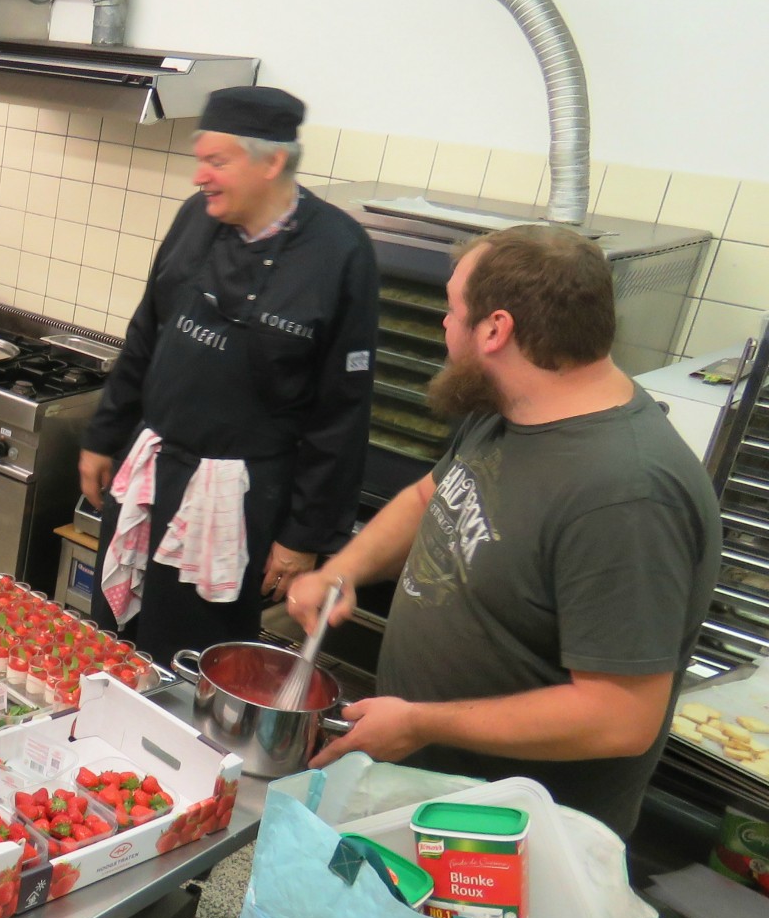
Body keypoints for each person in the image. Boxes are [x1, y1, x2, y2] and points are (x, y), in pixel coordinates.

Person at [288, 224, 720, 836]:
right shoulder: (509, 409)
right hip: (430, 788)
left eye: (452, 311)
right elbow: (428, 497)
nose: (443, 325)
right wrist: (342, 571)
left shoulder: (627, 494)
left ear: (496, 329)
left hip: (512, 839)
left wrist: (422, 723)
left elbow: (619, 715)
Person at [78, 85, 378, 664]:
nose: (199, 177)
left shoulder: (340, 252)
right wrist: (103, 434)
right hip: (153, 469)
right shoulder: (197, 218)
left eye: (216, 162)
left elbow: (342, 412)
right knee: (112, 634)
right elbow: (147, 331)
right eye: (200, 160)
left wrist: (303, 535)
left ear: (271, 162)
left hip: (236, 501)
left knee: (189, 657)